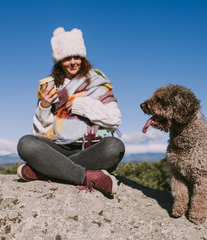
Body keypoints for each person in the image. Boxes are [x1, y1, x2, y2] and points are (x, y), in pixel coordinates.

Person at [16, 27, 125, 196]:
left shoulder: (97, 82)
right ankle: (85, 177)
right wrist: (44, 106)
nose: (73, 62)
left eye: (77, 57)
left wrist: (81, 106)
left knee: (115, 147)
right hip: (60, 147)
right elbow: (40, 134)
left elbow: (115, 119)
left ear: (82, 58)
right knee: (25, 143)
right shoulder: (52, 88)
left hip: (92, 148)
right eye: (67, 58)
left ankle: (46, 170)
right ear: (60, 61)